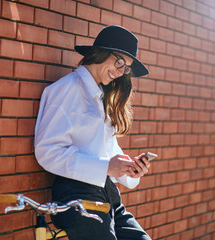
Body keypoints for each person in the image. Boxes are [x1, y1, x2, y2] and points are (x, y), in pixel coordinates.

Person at [34, 25, 152, 240]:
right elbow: (47, 151)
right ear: (100, 53)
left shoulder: (102, 98)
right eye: (119, 62)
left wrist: (129, 169)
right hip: (76, 198)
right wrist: (106, 166)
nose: (121, 71)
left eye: (126, 68)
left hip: (109, 198)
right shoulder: (67, 89)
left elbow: (109, 150)